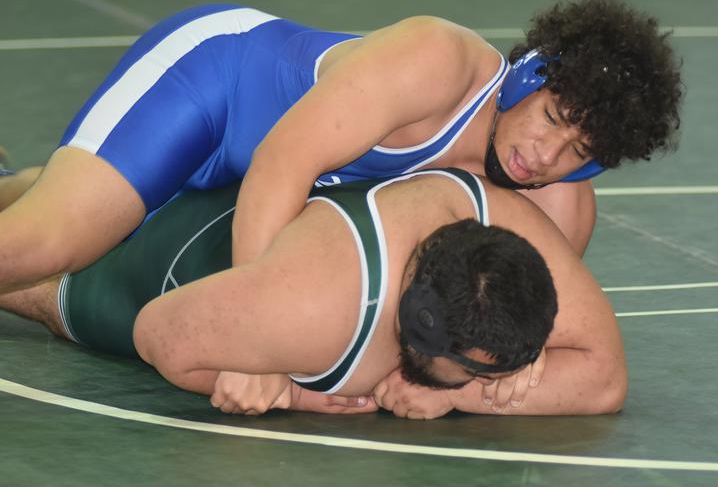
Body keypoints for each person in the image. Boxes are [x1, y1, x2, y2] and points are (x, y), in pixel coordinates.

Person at [0, 0, 683, 294]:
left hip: (256, 172)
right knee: (43, 248)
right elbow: (281, 161)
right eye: (553, 115)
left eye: (580, 150)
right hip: (212, 86)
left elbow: (508, 319)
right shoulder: (436, 62)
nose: (546, 154)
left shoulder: (562, 211)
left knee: (94, 213)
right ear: (531, 74)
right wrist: (250, 338)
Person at [0, 168, 626, 419]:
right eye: (468, 372)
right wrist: (289, 389)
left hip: (238, 202)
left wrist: (463, 397)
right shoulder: (316, 310)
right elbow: (157, 333)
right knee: (46, 270)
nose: (481, 382)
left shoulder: (508, 239)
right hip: (172, 269)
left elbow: (604, 379)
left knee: (63, 199)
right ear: (419, 326)